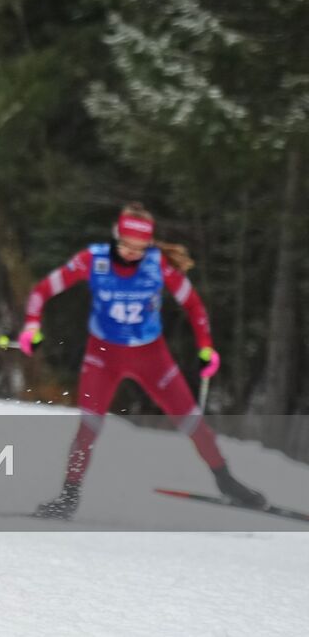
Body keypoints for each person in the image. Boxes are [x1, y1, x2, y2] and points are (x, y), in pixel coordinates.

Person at [15, 204, 264, 518]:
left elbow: (194, 305)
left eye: (140, 247)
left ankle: (227, 482)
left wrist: (206, 349)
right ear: (116, 236)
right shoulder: (93, 260)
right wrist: (31, 325)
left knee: (191, 421)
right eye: (126, 245)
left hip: (151, 356)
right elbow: (41, 291)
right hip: (103, 356)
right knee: (88, 429)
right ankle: (68, 497)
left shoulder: (158, 265)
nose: (132, 253)